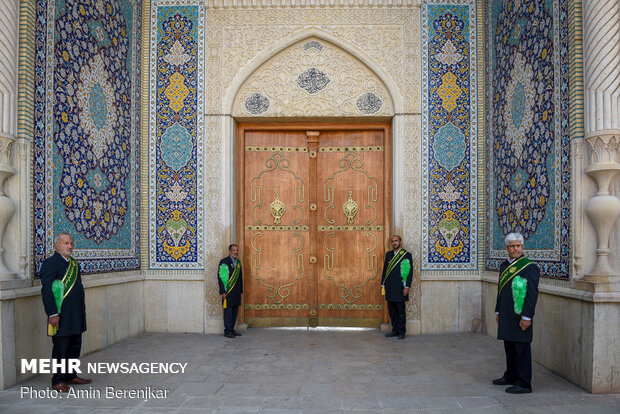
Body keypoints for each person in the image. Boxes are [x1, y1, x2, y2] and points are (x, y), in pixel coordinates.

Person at [40, 233, 91, 392]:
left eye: (71, 243)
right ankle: (58, 380)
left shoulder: (74, 264)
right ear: (57, 246)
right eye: (66, 243)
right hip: (60, 316)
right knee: (61, 349)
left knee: (75, 347)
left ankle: (70, 375)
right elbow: (47, 291)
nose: (70, 246)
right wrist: (53, 314)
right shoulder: (50, 263)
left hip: (76, 314)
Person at [493, 232, 540, 394]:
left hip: (520, 315)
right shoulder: (504, 265)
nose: (516, 249)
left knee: (521, 348)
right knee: (510, 347)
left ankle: (524, 383)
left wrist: (527, 316)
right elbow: (500, 290)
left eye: (518, 246)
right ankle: (511, 375)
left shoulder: (529, 266)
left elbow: (532, 293)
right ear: (507, 248)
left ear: (522, 247)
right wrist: (498, 310)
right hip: (506, 314)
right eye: (512, 246)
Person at [381, 235, 413, 339]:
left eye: (396, 241)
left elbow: (409, 272)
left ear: (400, 242)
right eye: (392, 241)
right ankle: (394, 330)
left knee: (400, 311)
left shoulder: (406, 255)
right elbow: (385, 270)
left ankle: (402, 332)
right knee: (392, 311)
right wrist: (383, 284)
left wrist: (407, 286)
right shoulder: (388, 255)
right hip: (390, 287)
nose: (394, 243)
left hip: (400, 288)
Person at [218, 244, 243, 338]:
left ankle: (232, 329)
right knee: (228, 311)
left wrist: (241, 291)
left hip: (236, 292)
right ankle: (227, 331)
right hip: (227, 292)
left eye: (237, 250)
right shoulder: (224, 262)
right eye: (234, 250)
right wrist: (222, 292)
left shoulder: (239, 263)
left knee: (235, 311)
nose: (235, 252)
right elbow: (221, 278)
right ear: (229, 251)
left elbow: (240, 278)